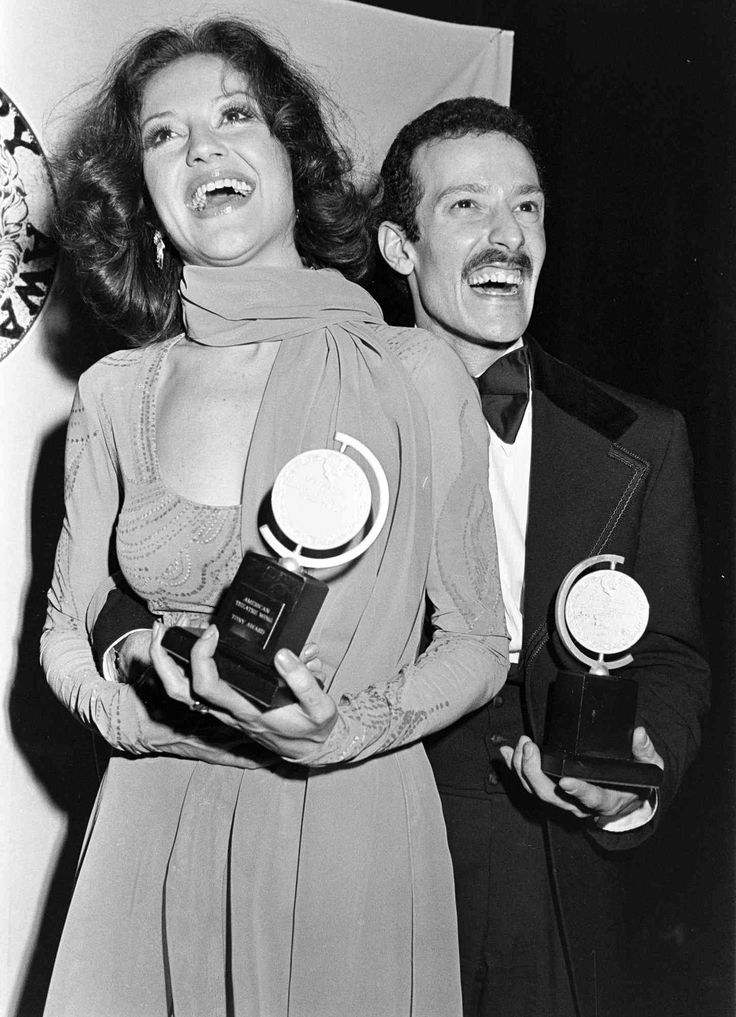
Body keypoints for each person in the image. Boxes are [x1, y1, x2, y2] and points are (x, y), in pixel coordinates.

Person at [41, 27, 509, 1017]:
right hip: (150, 835)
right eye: (164, 135)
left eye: (234, 116)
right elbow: (61, 635)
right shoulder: (117, 394)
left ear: (295, 157)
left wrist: (342, 733)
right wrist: (126, 716)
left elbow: (476, 643)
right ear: (145, 198)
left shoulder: (415, 375)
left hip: (348, 840)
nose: (202, 149)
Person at [376, 97, 710, 1017]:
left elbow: (674, 659)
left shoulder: (641, 436)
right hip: (367, 829)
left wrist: (634, 778)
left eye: (526, 208)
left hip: (547, 867)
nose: (507, 237)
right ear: (400, 248)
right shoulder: (331, 415)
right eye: (467, 207)